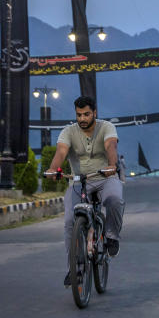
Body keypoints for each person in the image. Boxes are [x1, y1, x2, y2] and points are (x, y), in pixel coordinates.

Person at [48, 96, 125, 287]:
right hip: (78, 181)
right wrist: (53, 168)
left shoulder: (106, 127)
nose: (82, 118)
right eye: (79, 115)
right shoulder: (68, 132)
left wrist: (112, 165)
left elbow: (111, 146)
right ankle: (75, 269)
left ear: (95, 113)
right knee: (68, 221)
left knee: (114, 198)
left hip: (105, 178)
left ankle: (112, 236)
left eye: (86, 114)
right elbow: (61, 152)